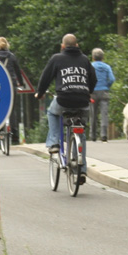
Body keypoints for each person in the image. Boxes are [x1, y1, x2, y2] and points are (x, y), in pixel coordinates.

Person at [35, 34, 96, 179]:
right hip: (83, 101)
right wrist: (88, 92)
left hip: (64, 100)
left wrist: (40, 93)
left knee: (52, 113)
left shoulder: (56, 58)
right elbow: (93, 79)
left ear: (62, 46)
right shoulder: (85, 59)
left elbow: (45, 78)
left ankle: (55, 142)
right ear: (77, 45)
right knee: (80, 132)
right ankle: (82, 170)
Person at [0, 37, 25, 144]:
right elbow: (18, 72)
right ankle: (15, 134)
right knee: (12, 109)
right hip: (11, 85)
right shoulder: (12, 56)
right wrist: (21, 83)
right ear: (7, 45)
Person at [89, 48, 115, 142]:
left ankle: (93, 135)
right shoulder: (107, 67)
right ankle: (104, 135)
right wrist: (106, 86)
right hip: (104, 92)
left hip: (92, 93)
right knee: (104, 114)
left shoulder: (90, 66)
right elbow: (112, 79)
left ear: (93, 57)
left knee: (93, 114)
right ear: (103, 57)